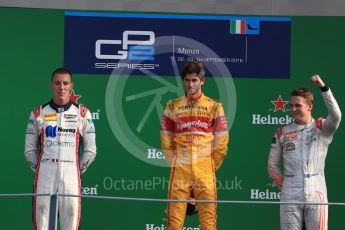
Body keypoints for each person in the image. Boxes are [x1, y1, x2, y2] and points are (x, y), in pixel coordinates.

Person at [25, 68, 97, 230]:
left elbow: (91, 150)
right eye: (57, 83)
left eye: (65, 83)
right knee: (42, 215)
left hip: (71, 171)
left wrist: (77, 169)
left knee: (71, 216)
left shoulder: (82, 113)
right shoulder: (38, 113)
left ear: (71, 85)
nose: (61, 87)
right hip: (45, 171)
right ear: (51, 85)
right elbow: (30, 149)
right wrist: (40, 168)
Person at [160, 61, 229, 230]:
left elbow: (221, 144)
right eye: (187, 80)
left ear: (202, 81)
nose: (191, 84)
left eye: (194, 80)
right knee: (173, 224)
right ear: (182, 81)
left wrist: (210, 166)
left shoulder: (214, 107)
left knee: (209, 223)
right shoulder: (172, 106)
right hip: (180, 172)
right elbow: (166, 142)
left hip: (205, 171)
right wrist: (176, 164)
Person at [268, 75, 341, 230]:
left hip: (316, 191)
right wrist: (286, 185)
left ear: (309, 106)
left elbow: (336, 115)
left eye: (298, 105)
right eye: (291, 105)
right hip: (290, 192)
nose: (293, 109)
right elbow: (272, 165)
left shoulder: (322, 127)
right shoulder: (282, 131)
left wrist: (323, 87)